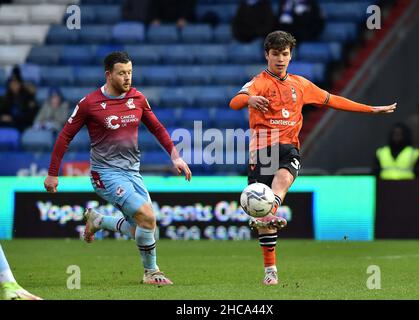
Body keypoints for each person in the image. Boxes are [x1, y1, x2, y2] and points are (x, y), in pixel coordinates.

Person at [229, 30, 396, 285]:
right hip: (262, 151)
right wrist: (250, 99)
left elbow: (332, 100)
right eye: (275, 54)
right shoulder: (259, 82)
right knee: (265, 216)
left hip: (288, 148)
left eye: (285, 54)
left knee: (282, 180)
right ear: (267, 55)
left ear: (291, 55)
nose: (280, 59)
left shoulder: (301, 85)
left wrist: (370, 109)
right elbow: (235, 102)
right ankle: (270, 270)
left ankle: (270, 207)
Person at [44, 52, 192, 286]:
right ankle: (151, 272)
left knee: (144, 231)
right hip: (105, 175)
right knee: (147, 217)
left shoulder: (138, 98)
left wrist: (176, 157)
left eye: (130, 73)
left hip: (132, 172)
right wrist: (53, 173)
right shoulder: (89, 103)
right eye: (122, 73)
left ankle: (99, 221)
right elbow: (65, 136)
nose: (127, 78)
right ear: (108, 74)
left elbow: (157, 128)